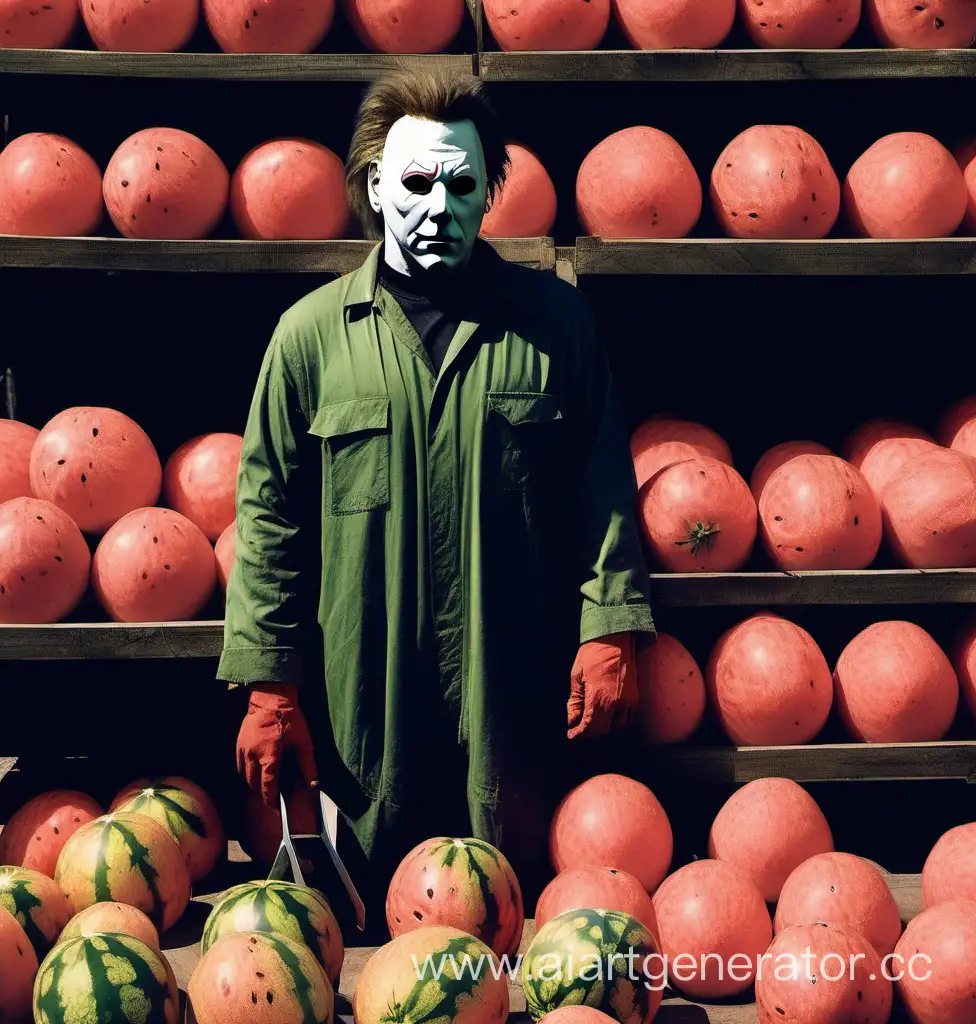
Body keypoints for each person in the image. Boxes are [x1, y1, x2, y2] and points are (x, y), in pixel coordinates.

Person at [218, 68, 655, 932]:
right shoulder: (310, 338)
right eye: (415, 182)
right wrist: (269, 685)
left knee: (506, 912)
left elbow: (600, 478)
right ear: (375, 185)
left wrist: (609, 624)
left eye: (462, 185)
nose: (438, 205)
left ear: (490, 195)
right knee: (366, 927)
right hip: (360, 708)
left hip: (514, 697)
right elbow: (267, 513)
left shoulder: (553, 326)